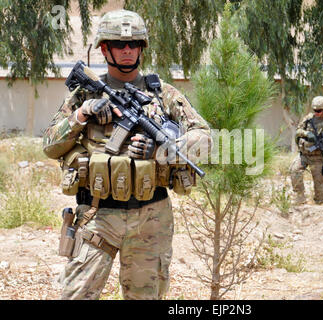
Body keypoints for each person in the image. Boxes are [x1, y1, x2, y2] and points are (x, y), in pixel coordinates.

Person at [43, 9, 212, 300]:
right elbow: (49, 145)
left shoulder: (163, 95)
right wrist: (83, 113)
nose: (127, 50)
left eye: (134, 44)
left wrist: (161, 151)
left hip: (151, 216)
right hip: (96, 215)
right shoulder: (84, 95)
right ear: (105, 48)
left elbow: (206, 139)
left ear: (142, 49)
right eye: (119, 45)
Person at [289, 96, 323, 205]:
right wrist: (306, 134)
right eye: (315, 110)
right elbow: (298, 132)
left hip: (318, 158)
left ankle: (319, 203)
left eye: (319, 110)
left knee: (320, 183)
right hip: (305, 155)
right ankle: (300, 197)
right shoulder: (308, 119)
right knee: (294, 170)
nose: (316, 112)